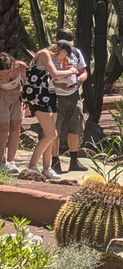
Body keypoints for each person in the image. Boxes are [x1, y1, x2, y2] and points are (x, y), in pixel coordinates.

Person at [24, 42, 79, 179]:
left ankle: (47, 168)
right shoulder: (44, 53)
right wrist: (71, 71)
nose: (65, 57)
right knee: (52, 134)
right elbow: (54, 74)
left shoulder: (49, 58)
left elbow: (51, 78)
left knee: (48, 135)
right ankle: (32, 166)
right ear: (61, 50)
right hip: (39, 98)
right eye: (65, 54)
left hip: (49, 96)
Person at [52, 29, 88, 173]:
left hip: (74, 95)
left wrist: (81, 78)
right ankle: (54, 160)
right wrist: (57, 84)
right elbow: (47, 74)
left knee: (76, 127)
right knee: (56, 129)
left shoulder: (76, 52)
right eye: (64, 38)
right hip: (56, 96)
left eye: (69, 38)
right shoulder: (50, 55)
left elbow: (83, 71)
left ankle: (74, 160)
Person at [0, 53, 27, 173]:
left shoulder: (20, 67)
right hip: (2, 97)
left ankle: (11, 160)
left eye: (8, 72)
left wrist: (27, 97)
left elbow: (26, 82)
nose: (6, 75)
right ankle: (2, 161)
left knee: (15, 128)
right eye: (2, 74)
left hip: (17, 97)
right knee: (3, 129)